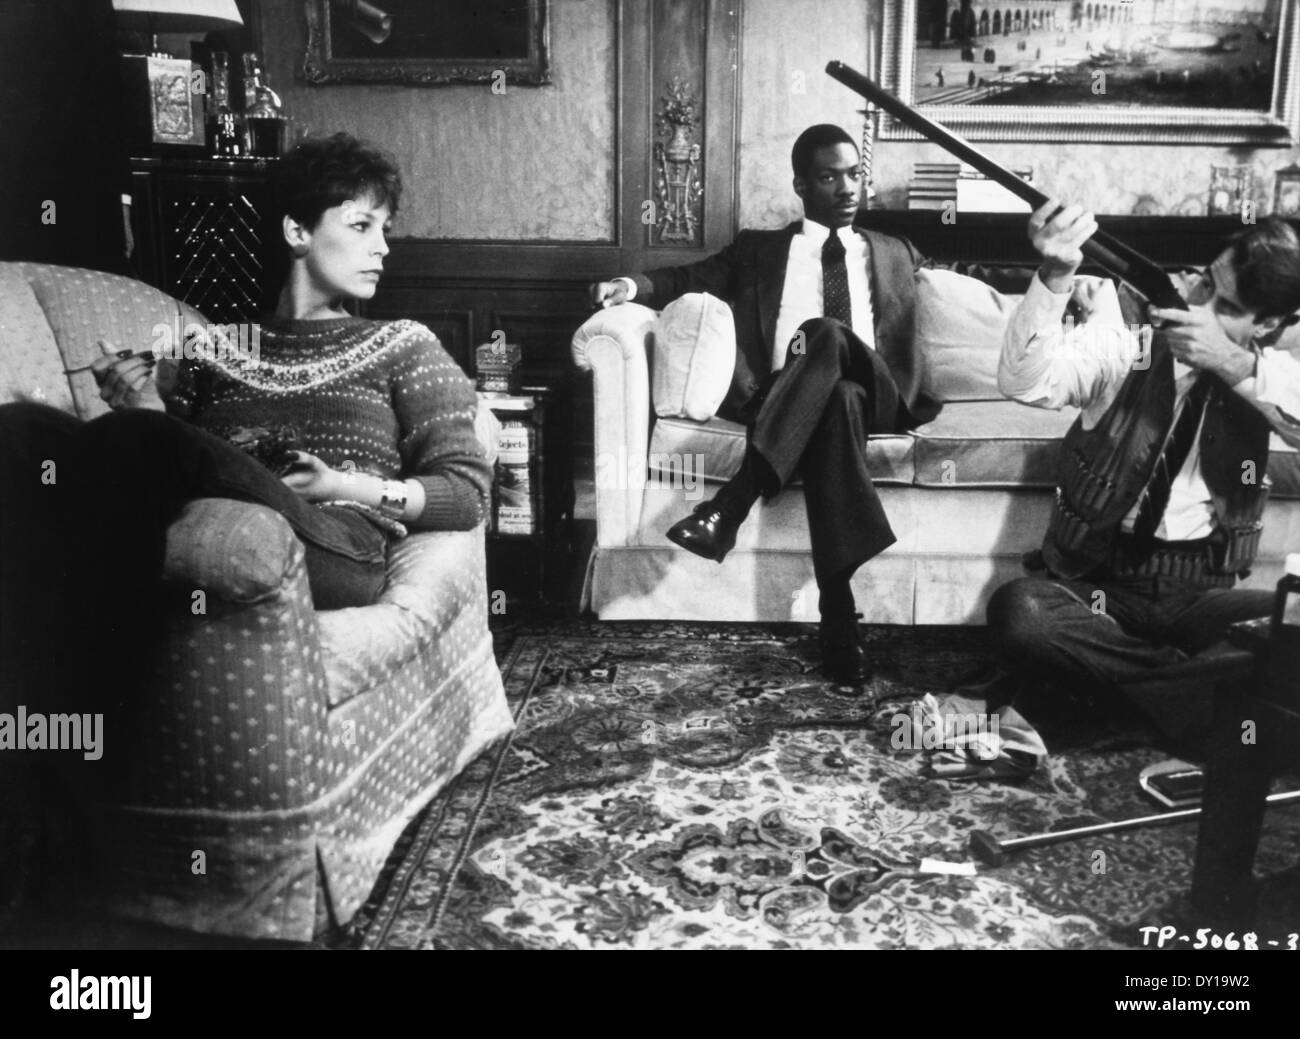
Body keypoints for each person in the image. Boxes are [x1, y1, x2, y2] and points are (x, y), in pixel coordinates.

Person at [0, 132, 492, 704]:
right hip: (229, 510)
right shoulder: (217, 349)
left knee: (133, 440)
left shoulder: (404, 345)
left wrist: (339, 483)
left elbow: (467, 492)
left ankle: (88, 710)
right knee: (25, 429)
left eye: (385, 229)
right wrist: (145, 408)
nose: (383, 247)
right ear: (297, 232)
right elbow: (174, 465)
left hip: (336, 541)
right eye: (362, 226)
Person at [591, 124, 965, 691]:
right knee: (833, 394)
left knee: (827, 334)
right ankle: (839, 618)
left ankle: (731, 506)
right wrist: (629, 284)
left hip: (882, 394)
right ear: (800, 185)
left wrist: (1063, 290)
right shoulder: (760, 249)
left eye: (854, 174)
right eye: (828, 176)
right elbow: (688, 277)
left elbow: (982, 285)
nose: (846, 187)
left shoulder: (895, 250)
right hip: (791, 396)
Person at [980, 202, 1300, 747]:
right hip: (1103, 587)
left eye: (1224, 306)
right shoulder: (1128, 339)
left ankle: (1108, 704)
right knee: (1022, 613)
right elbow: (1025, 383)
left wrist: (1234, 365)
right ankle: (1192, 693)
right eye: (1204, 280)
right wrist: (1056, 275)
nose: (1196, 304)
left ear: (1268, 324)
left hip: (1201, 591)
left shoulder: (1273, 376)